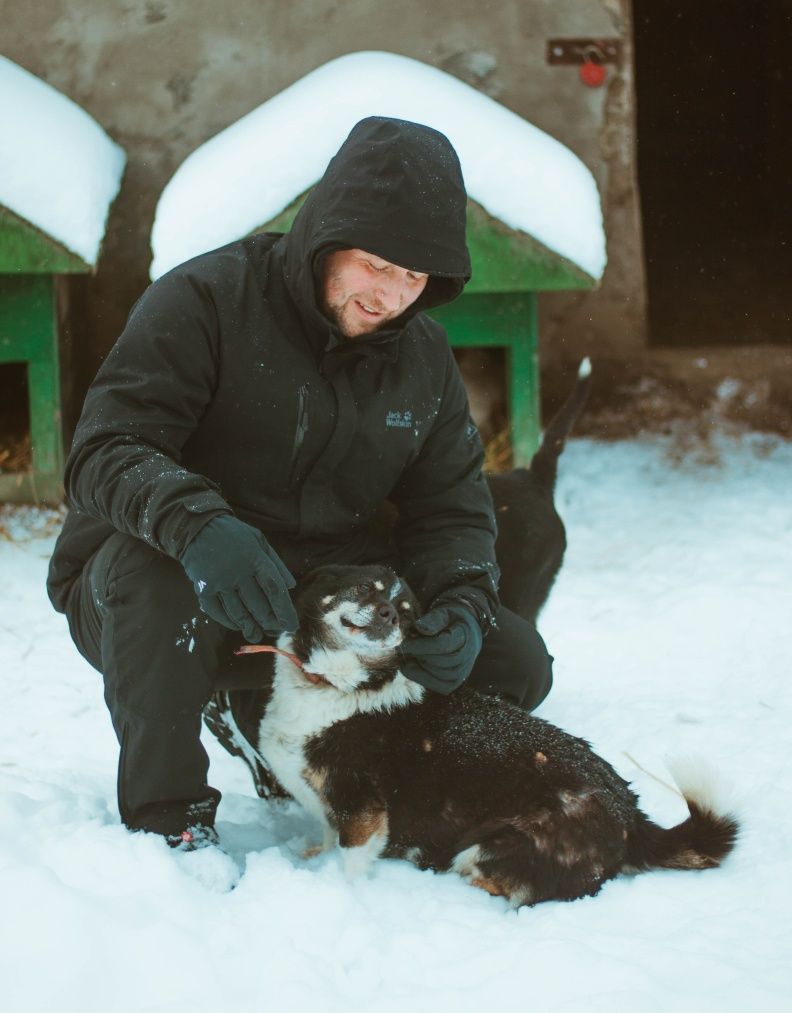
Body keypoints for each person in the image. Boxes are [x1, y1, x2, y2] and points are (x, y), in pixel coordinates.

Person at [47, 116, 553, 849]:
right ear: (327, 234)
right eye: (376, 265)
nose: (390, 296)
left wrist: (465, 603)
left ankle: (370, 776)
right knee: (154, 575)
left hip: (318, 595)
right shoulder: (204, 301)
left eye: (413, 278)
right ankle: (171, 818)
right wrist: (199, 528)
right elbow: (104, 449)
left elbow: (450, 507)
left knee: (513, 660)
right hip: (163, 586)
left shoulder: (424, 358)